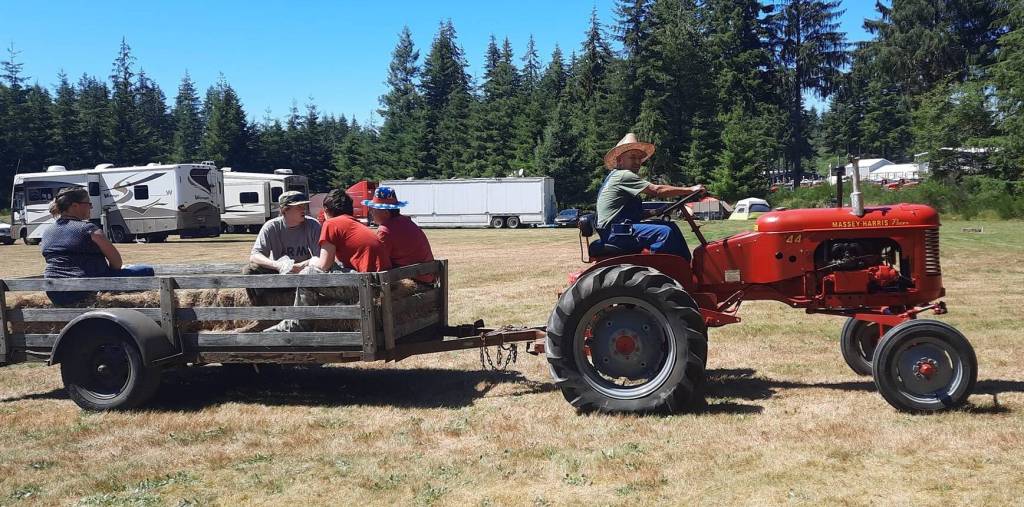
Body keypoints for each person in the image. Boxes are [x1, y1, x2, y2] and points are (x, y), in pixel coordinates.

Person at [264, 189, 390, 333]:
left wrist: (308, 263)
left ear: (325, 210)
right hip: (377, 283)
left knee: (308, 274)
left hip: (366, 287)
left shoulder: (332, 224)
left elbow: (324, 265)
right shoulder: (356, 224)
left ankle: (298, 323)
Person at [595, 133, 703, 261]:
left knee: (671, 226)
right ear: (620, 160)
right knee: (664, 233)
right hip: (616, 233)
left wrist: (656, 211)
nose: (637, 162)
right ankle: (668, 271)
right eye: (632, 157)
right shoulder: (623, 175)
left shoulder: (615, 177)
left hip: (618, 229)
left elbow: (630, 214)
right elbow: (657, 190)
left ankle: (686, 266)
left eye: (639, 158)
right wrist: (690, 189)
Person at [40, 187, 155, 306]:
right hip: (86, 289)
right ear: (75, 206)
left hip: (55, 292)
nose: (91, 207)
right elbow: (116, 262)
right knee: (147, 270)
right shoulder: (88, 229)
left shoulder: (47, 231)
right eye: (88, 203)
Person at [244, 191, 321, 305]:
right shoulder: (271, 226)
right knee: (249, 270)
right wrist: (278, 265)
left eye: (304, 206)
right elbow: (255, 256)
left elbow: (320, 257)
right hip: (280, 273)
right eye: (299, 206)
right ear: (284, 210)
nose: (304, 209)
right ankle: (263, 310)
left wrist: (301, 266)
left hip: (304, 273)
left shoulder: (313, 225)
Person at [363, 186, 435, 284]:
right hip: (426, 277)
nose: (371, 213)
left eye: (373, 209)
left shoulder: (385, 230)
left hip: (413, 281)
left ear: (385, 212)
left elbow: (379, 263)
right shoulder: (407, 222)